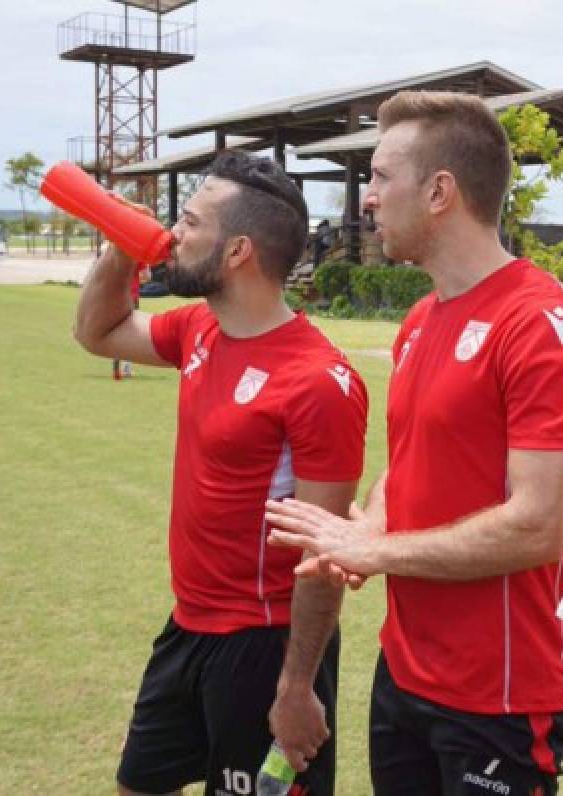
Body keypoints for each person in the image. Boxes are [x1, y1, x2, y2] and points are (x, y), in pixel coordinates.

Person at [265, 90, 563, 795]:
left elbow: (538, 525)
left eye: (383, 178)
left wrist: (378, 551)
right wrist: (369, 525)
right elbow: (410, 466)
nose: (368, 198)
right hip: (404, 673)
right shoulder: (421, 319)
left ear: (440, 191)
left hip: (498, 698)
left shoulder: (541, 323)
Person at [72, 149, 368, 796]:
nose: (174, 234)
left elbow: (322, 554)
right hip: (188, 627)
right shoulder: (202, 329)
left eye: (191, 222)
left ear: (237, 251)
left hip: (263, 649)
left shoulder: (319, 382)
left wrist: (296, 687)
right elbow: (97, 331)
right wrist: (124, 246)